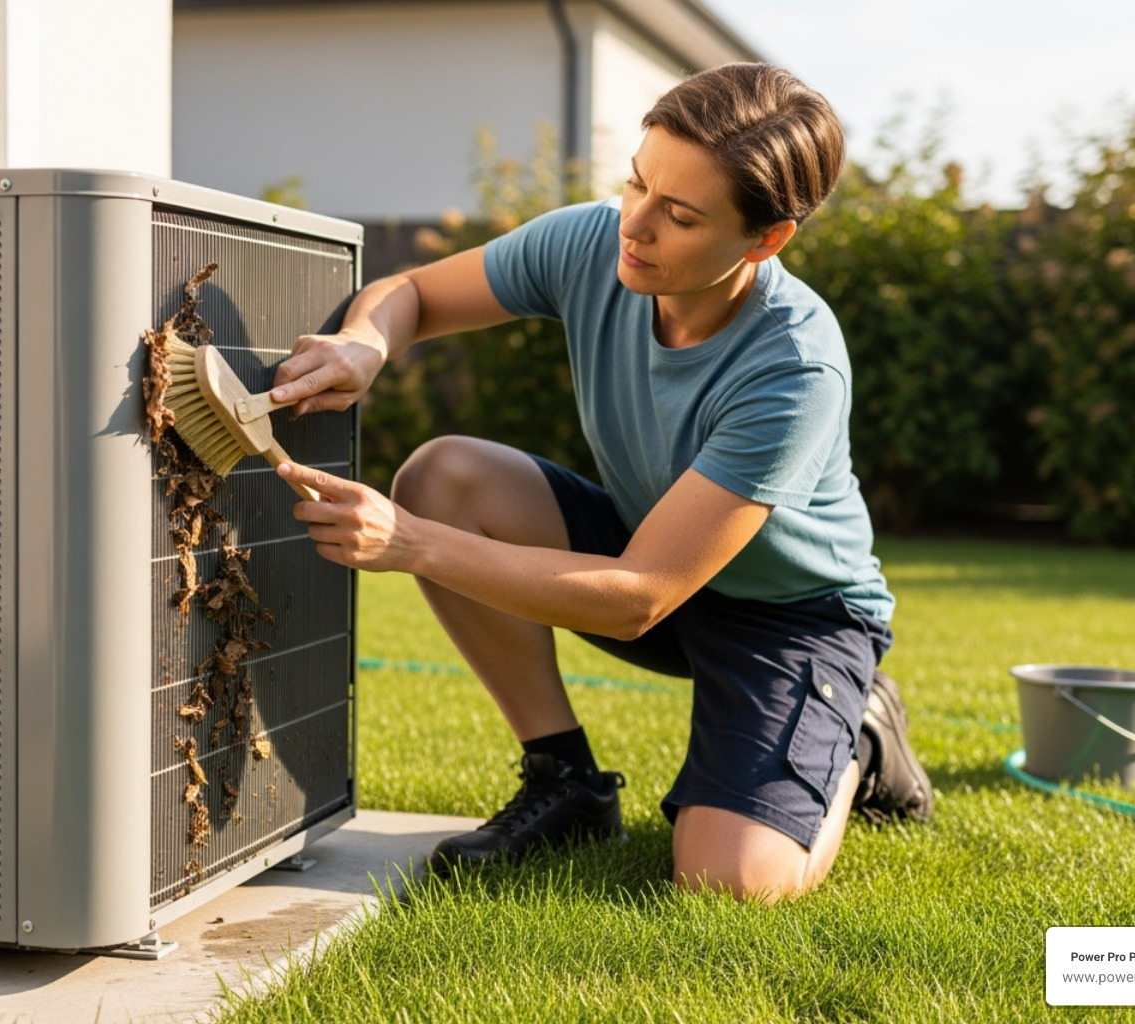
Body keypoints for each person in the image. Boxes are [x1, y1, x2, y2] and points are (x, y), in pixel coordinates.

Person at [270, 62, 931, 902]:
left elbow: (637, 596)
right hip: (649, 554)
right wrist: (367, 342)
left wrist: (410, 545)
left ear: (765, 240)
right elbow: (408, 292)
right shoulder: (593, 241)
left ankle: (862, 730)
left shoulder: (795, 367)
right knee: (447, 476)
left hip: (791, 618)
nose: (636, 224)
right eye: (637, 183)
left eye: (680, 215)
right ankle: (566, 781)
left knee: (729, 883)